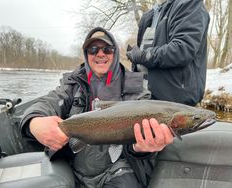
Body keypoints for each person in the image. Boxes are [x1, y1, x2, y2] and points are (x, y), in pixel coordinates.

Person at [20, 27, 174, 188]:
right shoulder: (72, 85)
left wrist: (142, 149)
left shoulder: (136, 90)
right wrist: (34, 122)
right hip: (74, 166)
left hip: (118, 169)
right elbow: (47, 103)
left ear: (114, 53)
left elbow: (140, 150)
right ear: (86, 55)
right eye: (93, 49)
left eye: (107, 49)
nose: (100, 54)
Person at [126, 0, 210, 106]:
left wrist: (142, 56)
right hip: (144, 99)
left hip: (174, 104)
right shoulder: (149, 15)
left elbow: (182, 50)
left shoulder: (189, 4)